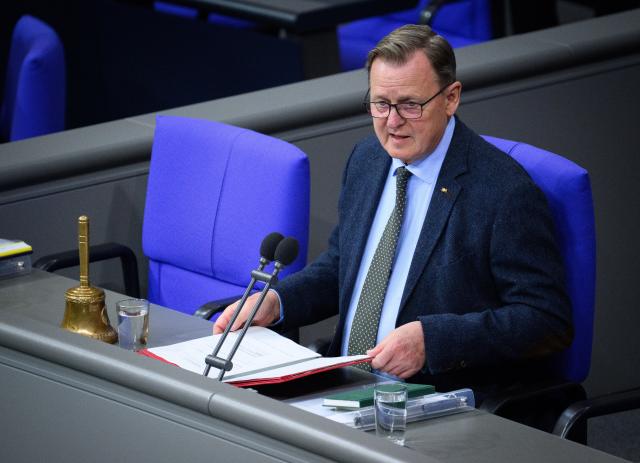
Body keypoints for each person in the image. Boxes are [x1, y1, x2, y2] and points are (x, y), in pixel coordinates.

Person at [214, 24, 572, 395]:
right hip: (341, 385)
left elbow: (546, 319)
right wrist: (278, 301)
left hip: (432, 398)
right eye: (381, 103)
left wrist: (432, 341)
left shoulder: (503, 191)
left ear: (451, 98)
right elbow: (343, 265)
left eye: (410, 105)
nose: (392, 121)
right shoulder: (368, 158)